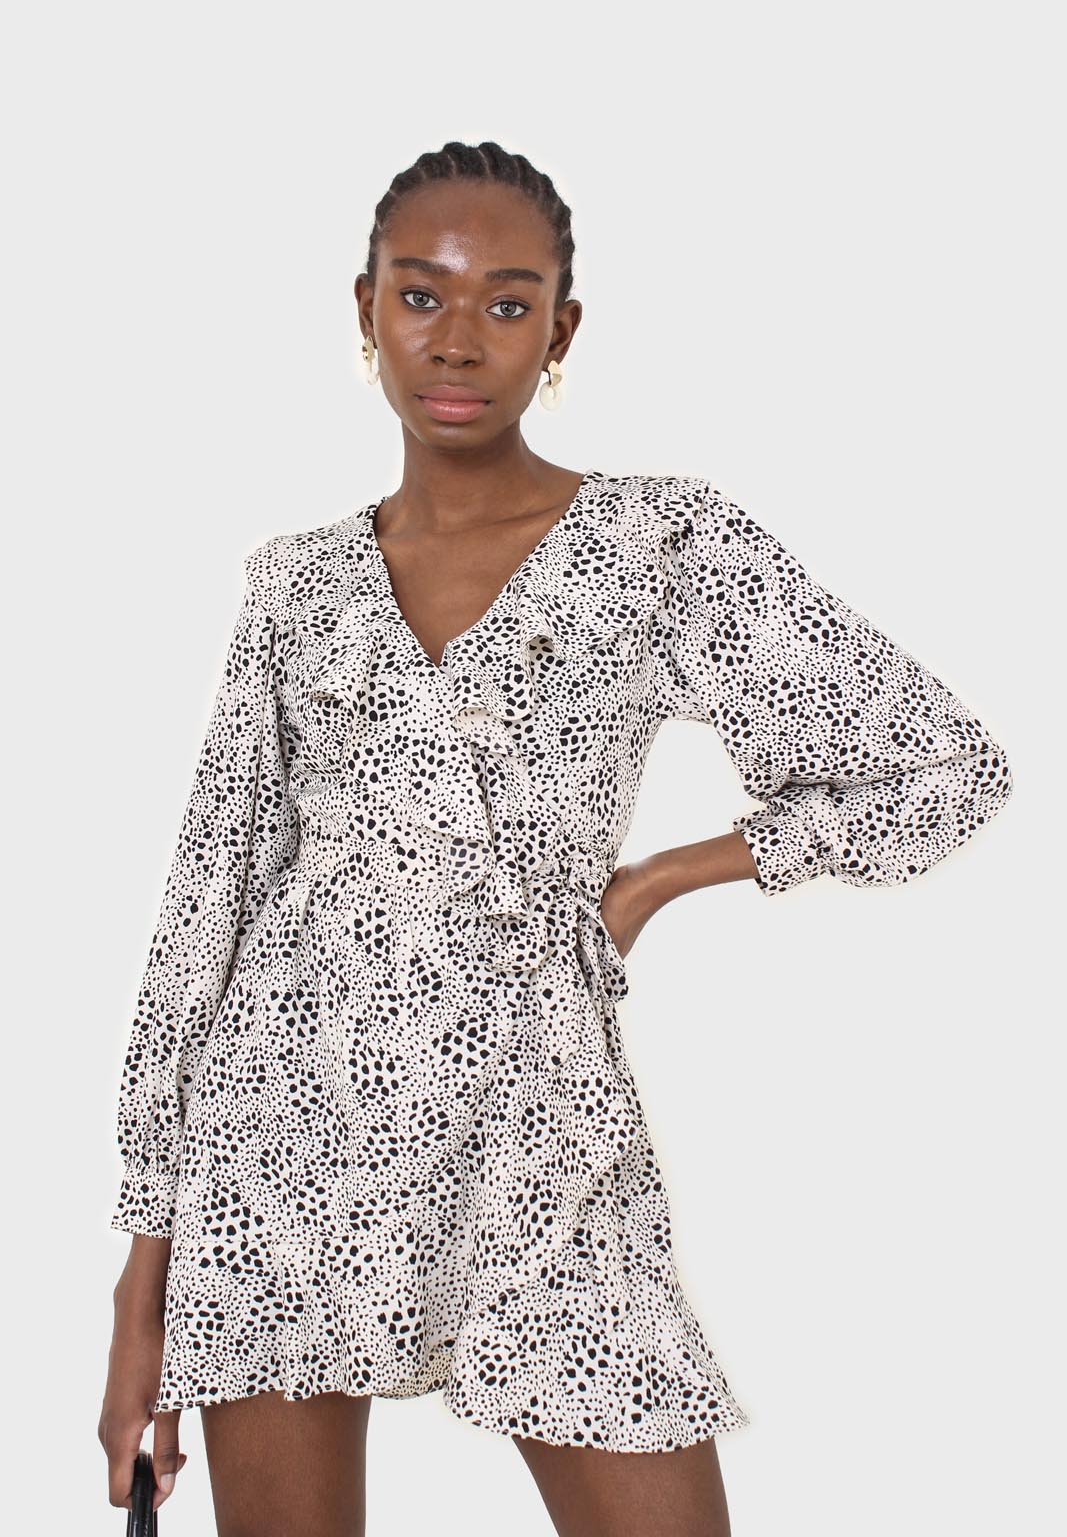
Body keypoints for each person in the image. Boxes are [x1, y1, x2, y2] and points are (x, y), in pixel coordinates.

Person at [98, 139, 1014, 1537]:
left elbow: (943, 770)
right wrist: (139, 1297)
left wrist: (661, 879)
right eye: (421, 294)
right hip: (278, 1148)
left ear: (561, 331)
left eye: (508, 302)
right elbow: (202, 911)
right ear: (364, 310)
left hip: (538, 1129)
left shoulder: (661, 543)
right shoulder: (296, 585)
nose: (459, 339)